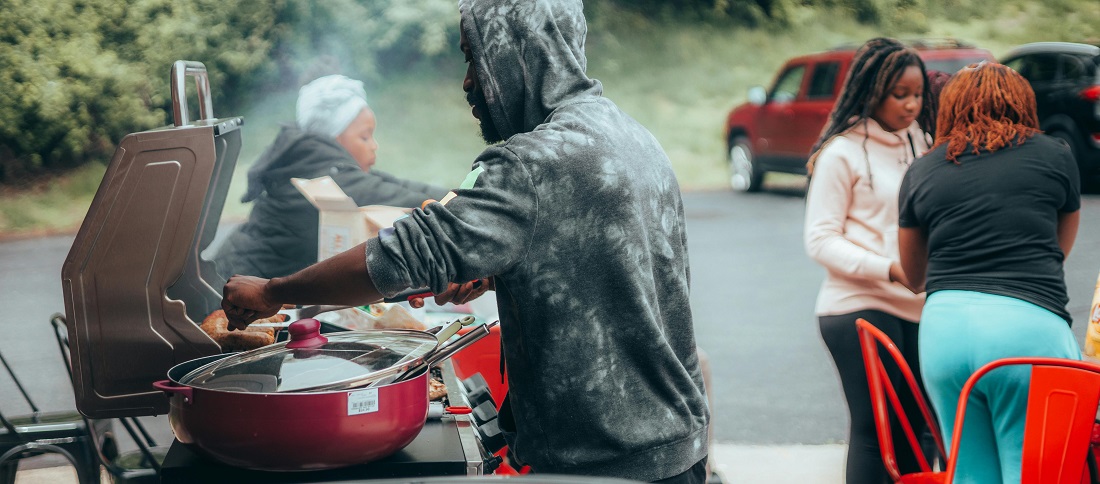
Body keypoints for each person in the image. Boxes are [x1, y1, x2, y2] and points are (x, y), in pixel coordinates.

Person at [220, 0, 710, 481]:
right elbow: (608, 267)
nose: (468, 81)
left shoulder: (533, 164)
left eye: (475, 57)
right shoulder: (631, 135)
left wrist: (272, 292)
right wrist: (501, 270)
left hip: (602, 463)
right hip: (676, 447)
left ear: (521, 51)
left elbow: (399, 257)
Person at [898, 62, 1081, 483]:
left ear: (950, 109)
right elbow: (1058, 249)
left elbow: (914, 275)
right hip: (1025, 331)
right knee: (1033, 472)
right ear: (1023, 103)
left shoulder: (922, 169)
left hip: (945, 334)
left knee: (970, 473)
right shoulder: (1055, 155)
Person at [803, 37, 936, 484]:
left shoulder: (924, 144)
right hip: (858, 304)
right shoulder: (842, 153)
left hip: (919, 308)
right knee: (874, 432)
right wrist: (890, 269)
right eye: (900, 94)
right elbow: (820, 240)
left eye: (918, 94)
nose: (912, 105)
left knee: (919, 434)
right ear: (872, 91)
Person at [212, 74, 448, 280]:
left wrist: (466, 193)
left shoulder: (315, 165)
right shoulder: (329, 181)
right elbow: (404, 197)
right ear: (334, 137)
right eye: (365, 137)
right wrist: (469, 200)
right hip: (232, 294)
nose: (374, 146)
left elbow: (393, 183)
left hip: (233, 274)